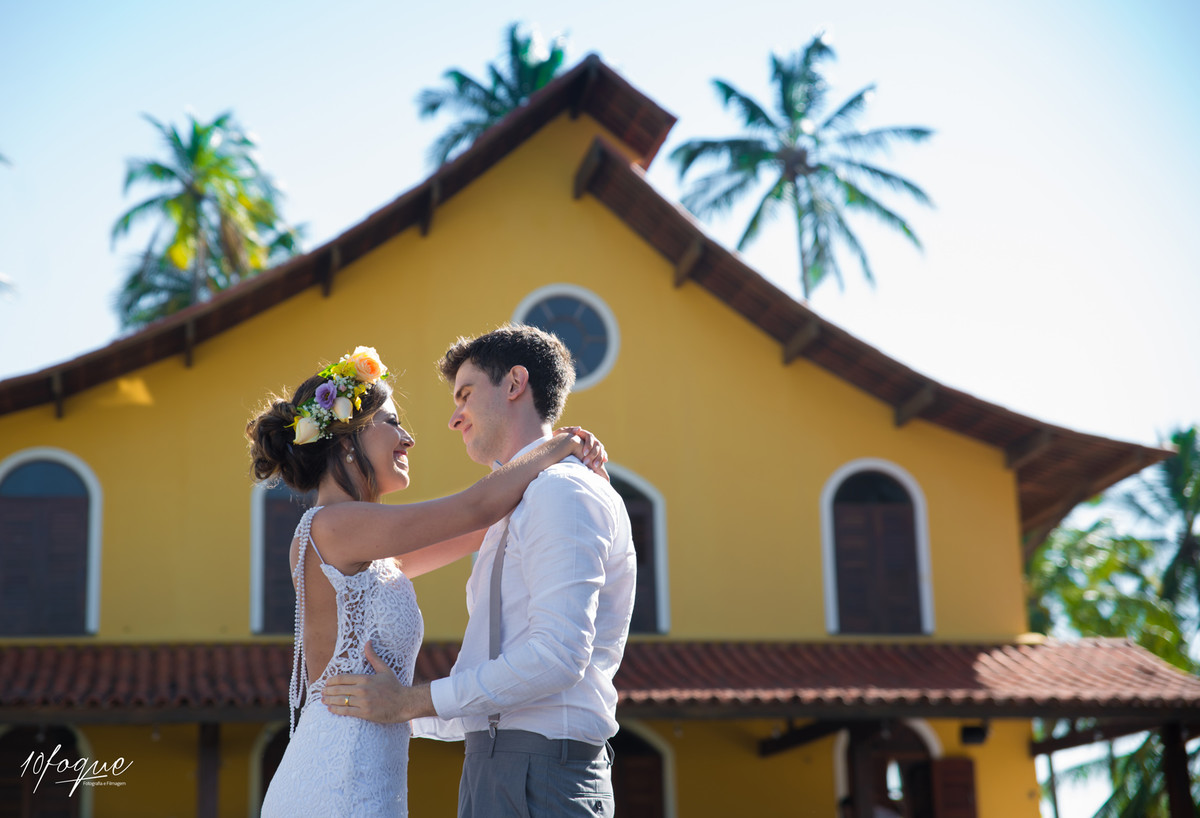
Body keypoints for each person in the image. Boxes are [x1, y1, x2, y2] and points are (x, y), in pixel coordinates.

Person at [248, 345, 608, 817]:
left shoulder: (371, 551)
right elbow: (476, 508)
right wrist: (561, 445)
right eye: (392, 422)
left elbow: (487, 523)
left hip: (369, 768)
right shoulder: (331, 527)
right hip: (336, 775)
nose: (408, 439)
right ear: (347, 440)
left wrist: (558, 472)